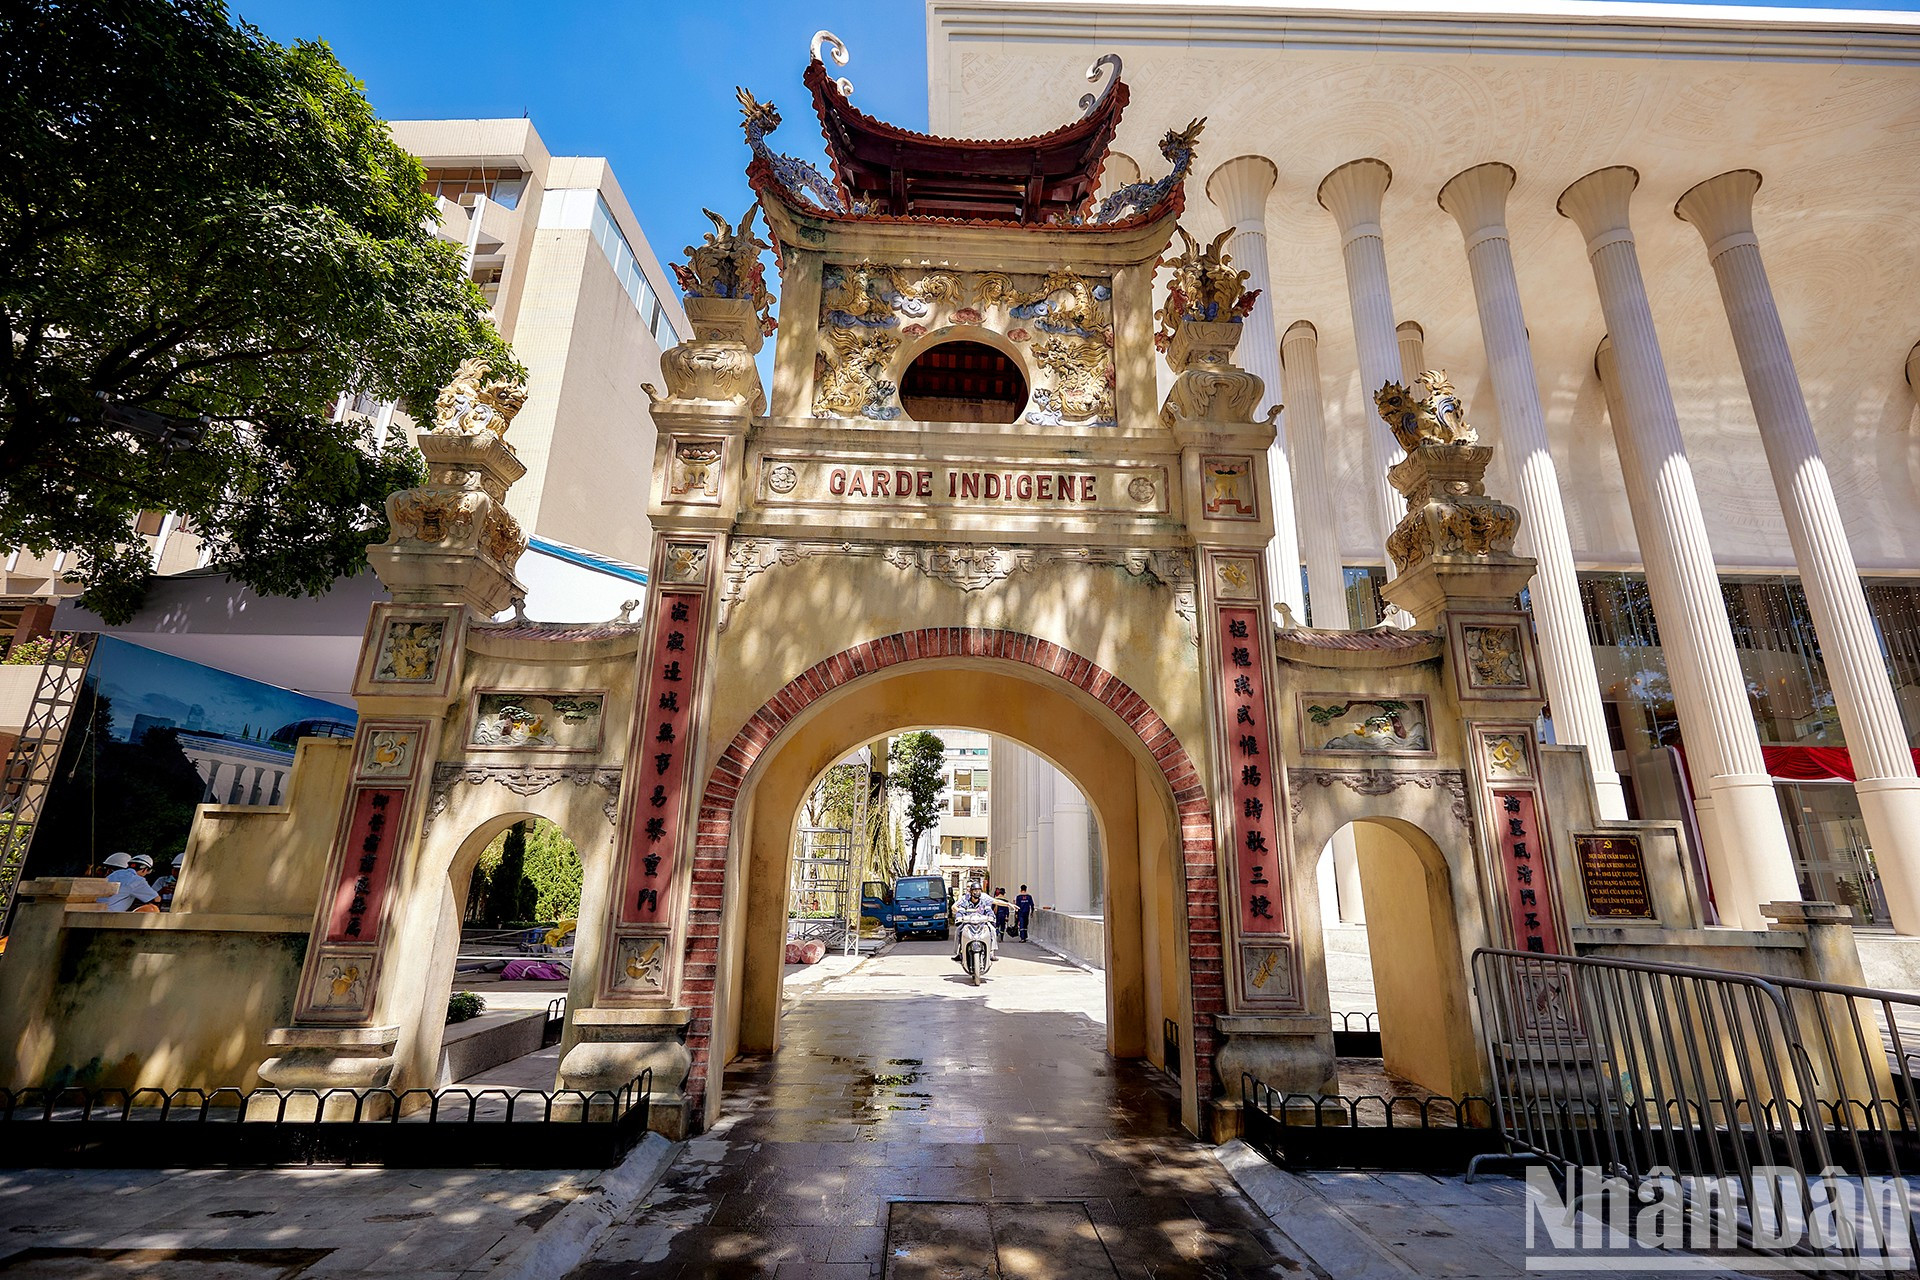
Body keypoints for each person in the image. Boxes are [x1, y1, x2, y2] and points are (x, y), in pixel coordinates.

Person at [952, 882, 1013, 962]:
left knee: (992, 930)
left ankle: (991, 952)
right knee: (958, 930)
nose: (977, 892)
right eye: (975, 890)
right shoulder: (965, 900)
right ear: (971, 891)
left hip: (982, 923)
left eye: (978, 890)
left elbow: (990, 908)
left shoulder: (984, 900)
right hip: (968, 923)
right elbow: (959, 909)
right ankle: (959, 952)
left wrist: (991, 917)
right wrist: (959, 917)